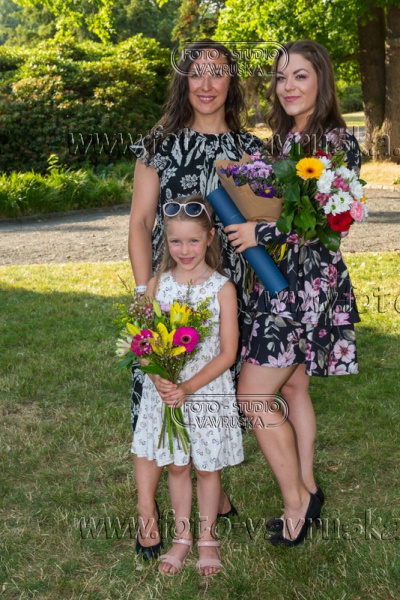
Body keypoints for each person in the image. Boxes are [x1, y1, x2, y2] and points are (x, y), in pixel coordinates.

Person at [128, 39, 264, 557]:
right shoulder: (159, 144)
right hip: (164, 293)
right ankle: (147, 513)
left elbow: (263, 225)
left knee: (212, 396)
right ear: (183, 81)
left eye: (218, 73)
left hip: (226, 295)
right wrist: (143, 294)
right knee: (154, 395)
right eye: (196, 73)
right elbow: (141, 222)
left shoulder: (250, 149)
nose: (207, 84)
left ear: (232, 81)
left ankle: (214, 488)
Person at [224, 40, 361, 546]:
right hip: (277, 280)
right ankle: (309, 487)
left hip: (305, 287)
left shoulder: (337, 142)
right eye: (281, 77)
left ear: (321, 79)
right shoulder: (282, 143)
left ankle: (295, 504)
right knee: (292, 386)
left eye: (300, 76)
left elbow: (329, 222)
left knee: (253, 395)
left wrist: (259, 234)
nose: (288, 87)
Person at [131, 195, 243, 575]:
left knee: (208, 468)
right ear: (166, 241)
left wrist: (189, 387)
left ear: (210, 237)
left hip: (206, 391)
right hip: (166, 394)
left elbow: (228, 353)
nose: (185, 250)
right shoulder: (156, 285)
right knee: (177, 467)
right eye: (176, 241)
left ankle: (208, 539)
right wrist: (157, 376)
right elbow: (143, 342)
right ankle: (182, 539)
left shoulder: (222, 289)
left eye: (193, 240)